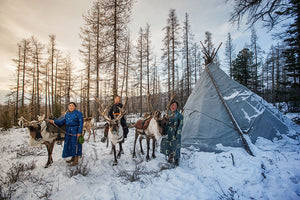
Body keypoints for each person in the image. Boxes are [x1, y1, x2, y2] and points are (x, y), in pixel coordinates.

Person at [49, 102, 83, 166]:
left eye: (72, 106)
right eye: (70, 105)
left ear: (75, 107)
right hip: (68, 131)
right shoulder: (67, 114)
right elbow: (61, 122)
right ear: (68, 107)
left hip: (75, 131)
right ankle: (72, 158)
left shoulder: (78, 114)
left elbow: (81, 123)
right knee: (70, 145)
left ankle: (76, 160)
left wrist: (79, 132)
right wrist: (54, 121)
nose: (71, 107)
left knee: (75, 145)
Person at [160, 100, 183, 166]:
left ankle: (176, 159)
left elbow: (181, 124)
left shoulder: (179, 115)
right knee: (168, 145)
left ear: (177, 107)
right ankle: (170, 157)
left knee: (176, 145)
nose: (173, 106)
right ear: (170, 106)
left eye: (175, 105)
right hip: (168, 132)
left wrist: (178, 133)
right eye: (172, 105)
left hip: (175, 132)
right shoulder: (167, 114)